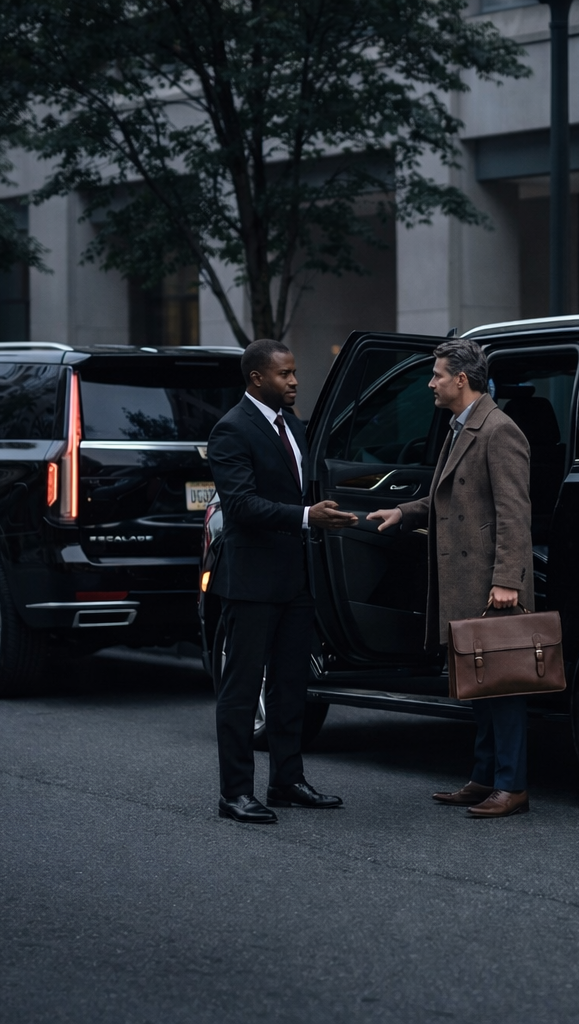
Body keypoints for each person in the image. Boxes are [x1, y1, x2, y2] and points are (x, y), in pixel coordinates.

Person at [367, 340, 535, 818]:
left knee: (502, 685)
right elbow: (445, 499)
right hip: (465, 580)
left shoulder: (499, 431)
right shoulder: (461, 427)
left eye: (437, 375)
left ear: (461, 380)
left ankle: (512, 786)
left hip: (490, 583)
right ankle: (485, 778)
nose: (431, 384)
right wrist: (402, 510)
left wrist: (507, 579)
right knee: (478, 683)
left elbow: (514, 513)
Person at [206, 338, 357, 824]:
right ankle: (235, 794)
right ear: (256, 379)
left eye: (294, 373)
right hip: (250, 582)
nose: (294, 381)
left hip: (297, 580)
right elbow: (241, 506)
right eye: (284, 375)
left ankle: (287, 782)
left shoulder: (293, 425)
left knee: (292, 687)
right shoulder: (231, 429)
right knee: (242, 690)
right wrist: (307, 517)